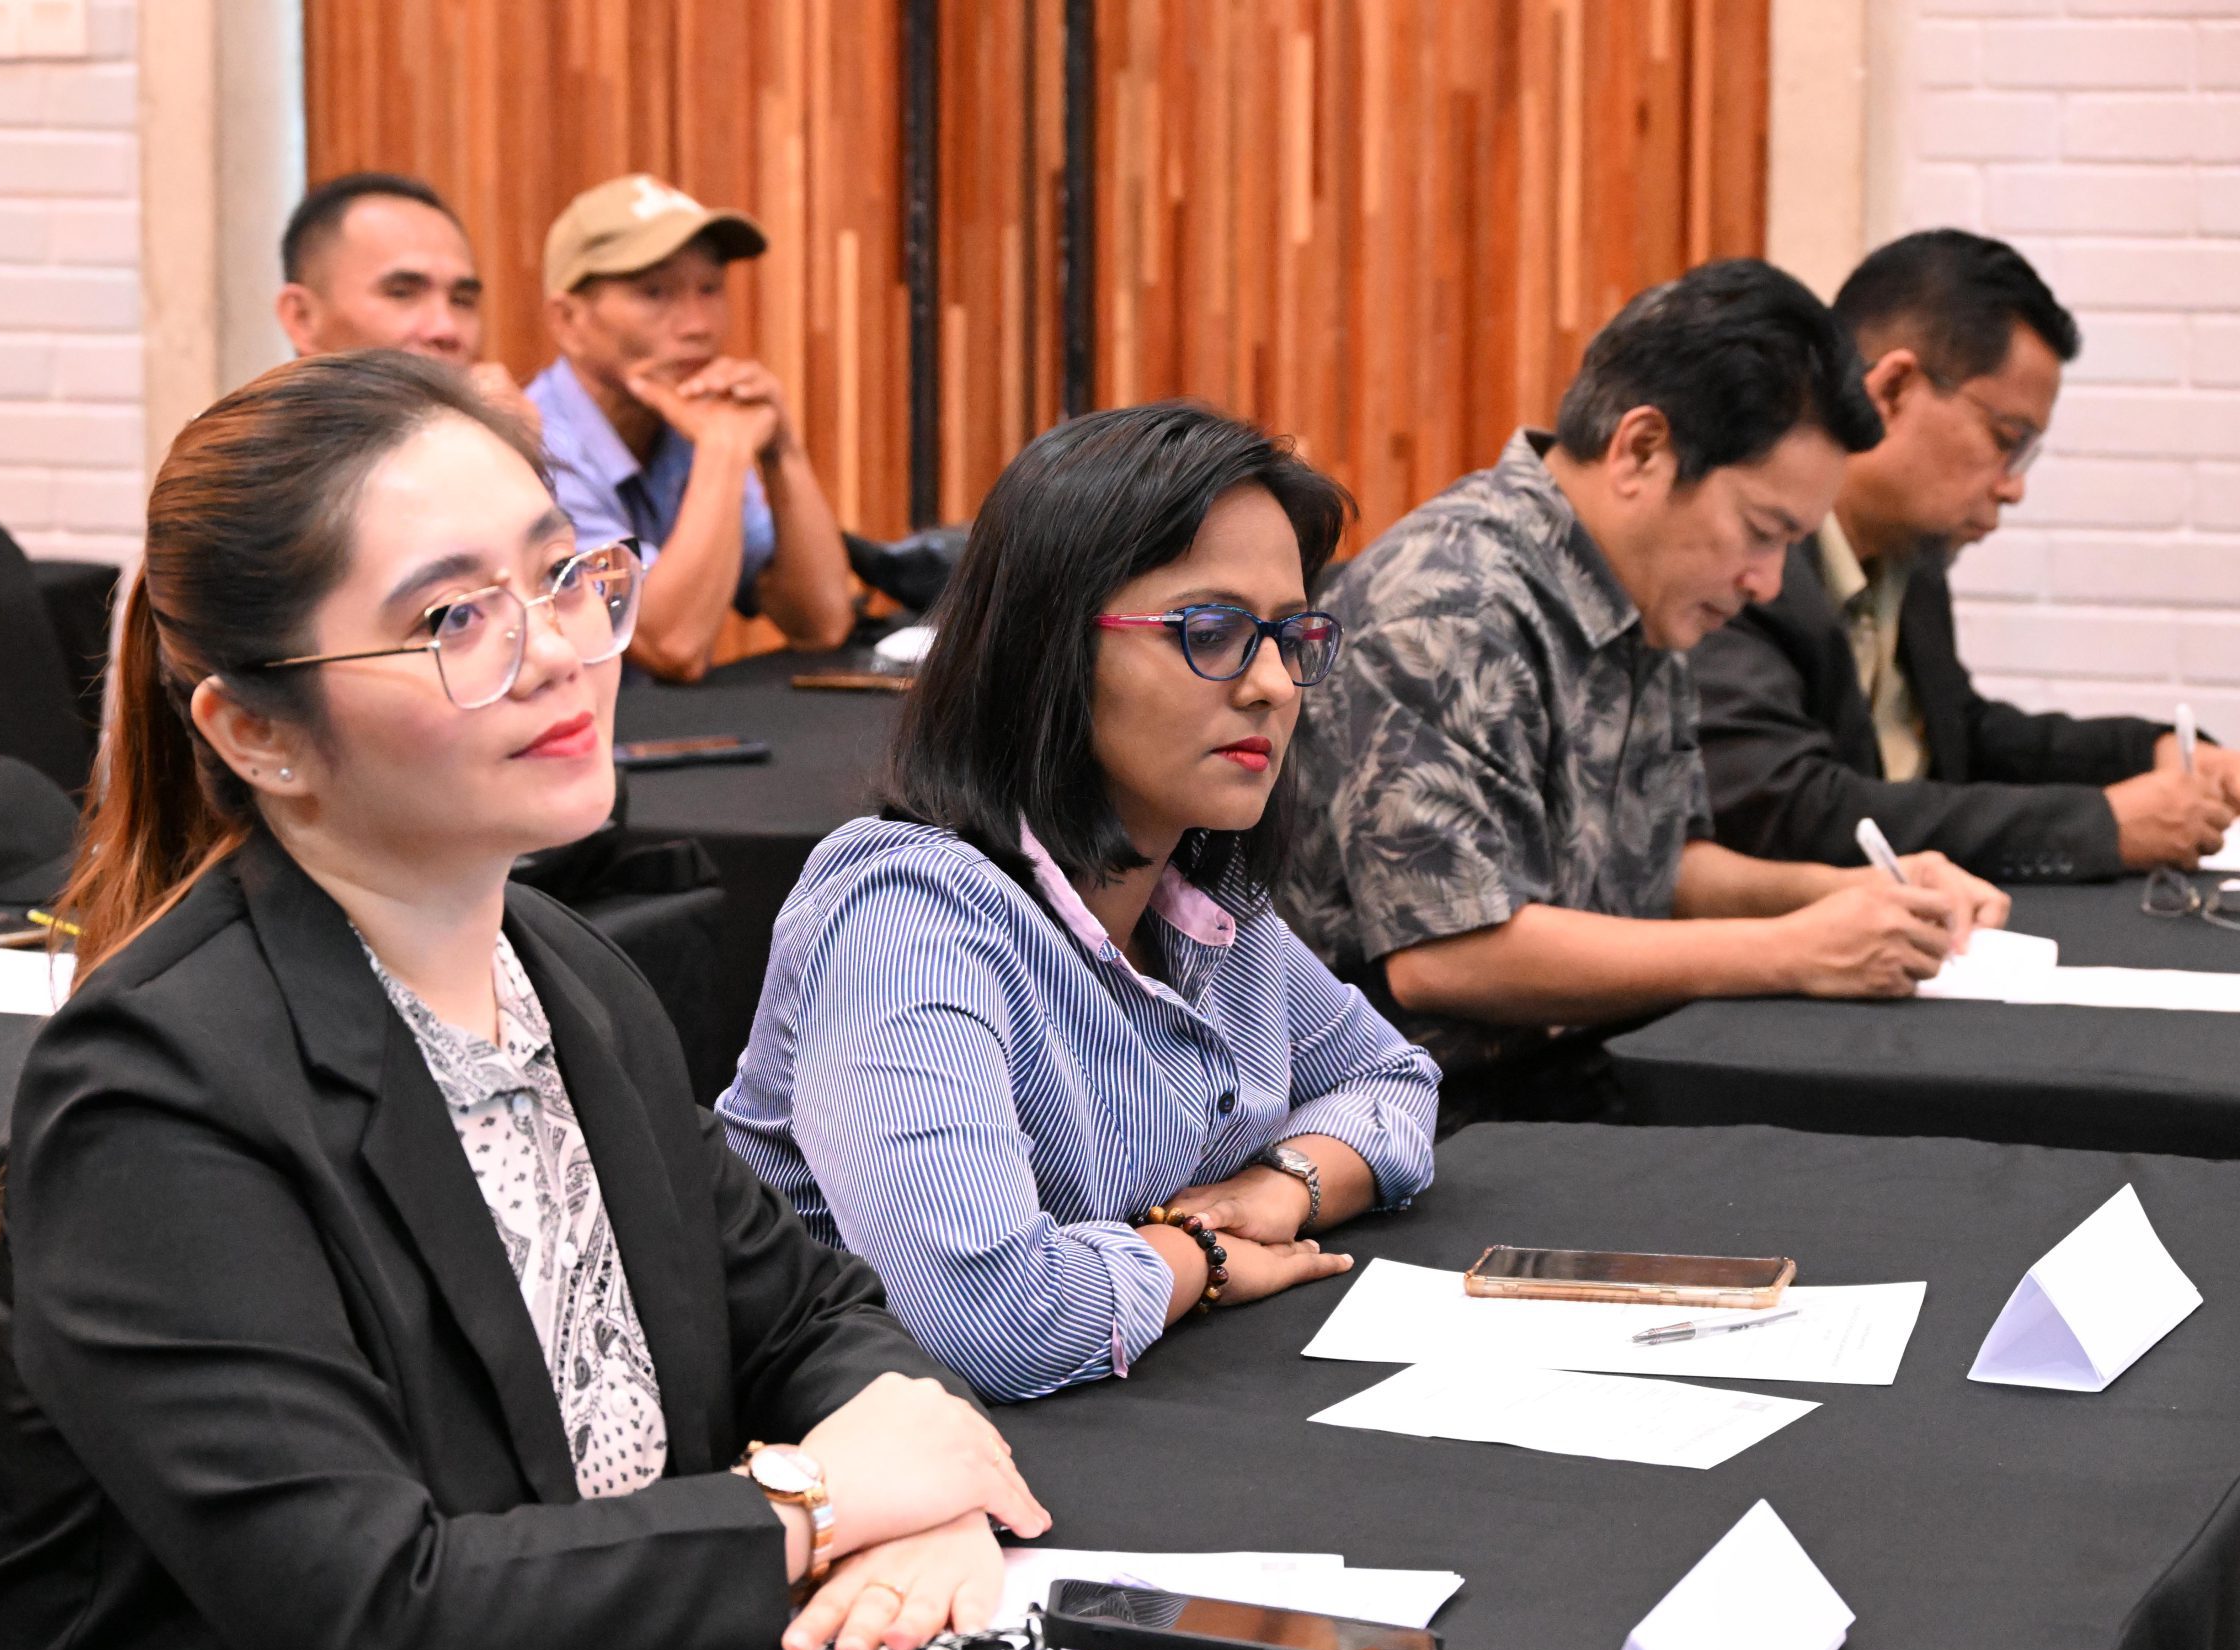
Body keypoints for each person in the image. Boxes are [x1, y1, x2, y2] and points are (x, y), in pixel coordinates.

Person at [0, 350, 1049, 1650]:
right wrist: (819, 1505)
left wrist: (915, 1479)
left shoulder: (567, 972)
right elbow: (374, 1615)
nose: (562, 653)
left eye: (561, 574)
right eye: (455, 617)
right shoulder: (155, 1090)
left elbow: (806, 1313)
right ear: (257, 733)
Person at [721, 402, 1439, 1405]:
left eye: (1289, 635)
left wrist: (1282, 1187)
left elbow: (1393, 1081)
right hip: (875, 1462)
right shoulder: (907, 915)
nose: (1275, 684)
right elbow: (989, 1321)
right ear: (1046, 650)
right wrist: (1198, 1255)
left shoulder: (1202, 892)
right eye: (1213, 632)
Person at [1281, 260, 2011, 1130]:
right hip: (1425, 1125)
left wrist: (1849, 895)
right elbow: (1450, 956)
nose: (1768, 581)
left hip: (1588, 1077)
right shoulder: (1447, 601)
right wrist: (1793, 947)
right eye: (1761, 530)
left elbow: (1662, 869)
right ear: (1642, 450)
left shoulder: (1642, 587)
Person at [1692, 229, 2239, 882]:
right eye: (2006, 439)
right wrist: (2100, 824)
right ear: (1892, 391)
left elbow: (1960, 736)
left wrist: (2145, 751)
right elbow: (1790, 811)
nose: (2013, 486)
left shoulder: (1910, 554)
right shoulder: (1748, 564)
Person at [531, 173, 856, 682]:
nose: (698, 326)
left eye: (710, 289)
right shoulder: (534, 447)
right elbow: (671, 645)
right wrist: (724, 446)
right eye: (654, 292)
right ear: (568, 321)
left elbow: (822, 623)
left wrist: (782, 450)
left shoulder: (687, 420)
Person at [273, 171, 541, 438]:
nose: (446, 329)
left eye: (462, 301)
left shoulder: (487, 446)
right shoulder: (258, 460)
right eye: (402, 293)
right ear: (302, 318)